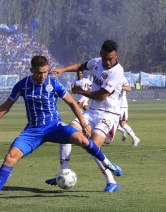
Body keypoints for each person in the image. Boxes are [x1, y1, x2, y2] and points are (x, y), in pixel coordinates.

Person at [0, 55, 122, 203]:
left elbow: (71, 102)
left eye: (45, 72)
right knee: (10, 157)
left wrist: (83, 122)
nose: (43, 76)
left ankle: (108, 163)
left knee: (83, 140)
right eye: (39, 72)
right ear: (32, 70)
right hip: (33, 130)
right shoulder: (22, 85)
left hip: (55, 126)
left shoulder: (53, 83)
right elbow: (5, 107)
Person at [45, 40, 125, 193]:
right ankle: (63, 174)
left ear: (116, 56)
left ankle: (111, 181)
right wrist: (62, 69)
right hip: (92, 112)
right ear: (101, 54)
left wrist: (80, 91)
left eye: (111, 59)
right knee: (66, 134)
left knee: (92, 147)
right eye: (105, 58)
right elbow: (81, 65)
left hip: (108, 115)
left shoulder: (117, 72)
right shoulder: (96, 62)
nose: (108, 62)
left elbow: (101, 96)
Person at [116, 76, 141, 146]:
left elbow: (129, 88)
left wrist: (120, 87)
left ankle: (135, 138)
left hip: (121, 105)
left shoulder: (122, 78)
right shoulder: (110, 77)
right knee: (111, 121)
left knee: (123, 124)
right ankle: (124, 132)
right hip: (114, 104)